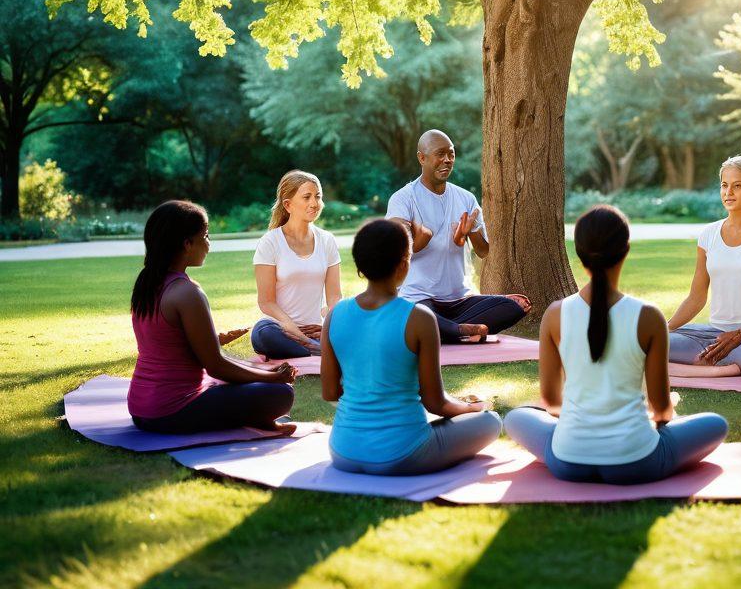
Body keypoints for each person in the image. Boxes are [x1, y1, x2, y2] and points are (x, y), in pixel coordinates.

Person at [504, 206, 728, 484]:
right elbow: (661, 411)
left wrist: (583, 423)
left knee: (516, 418)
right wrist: (656, 412)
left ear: (581, 254)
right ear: (626, 250)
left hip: (568, 459)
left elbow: (551, 403)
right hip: (636, 460)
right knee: (717, 424)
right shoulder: (648, 316)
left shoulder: (554, 314)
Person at [322, 218, 501, 475]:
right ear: (404, 264)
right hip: (403, 454)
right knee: (490, 422)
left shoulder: (335, 315)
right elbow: (436, 403)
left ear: (360, 265)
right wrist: (471, 408)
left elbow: (330, 392)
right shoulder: (419, 318)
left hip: (342, 451)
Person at [127, 200, 297, 434]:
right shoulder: (187, 292)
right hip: (171, 412)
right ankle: (256, 418)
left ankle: (252, 414)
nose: (208, 243)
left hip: (140, 410)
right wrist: (272, 380)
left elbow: (176, 348)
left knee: (250, 369)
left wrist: (266, 371)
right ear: (187, 244)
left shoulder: (147, 284)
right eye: (205, 236)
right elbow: (215, 366)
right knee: (281, 393)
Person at [385, 129, 530, 343]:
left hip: (460, 300)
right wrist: (420, 241)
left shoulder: (466, 198)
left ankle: (446, 330)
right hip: (419, 299)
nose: (447, 160)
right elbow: (393, 250)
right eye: (440, 154)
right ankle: (458, 331)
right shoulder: (403, 199)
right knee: (410, 314)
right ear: (422, 157)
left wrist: (469, 234)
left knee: (516, 306)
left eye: (451, 154)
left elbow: (483, 250)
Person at [666, 156, 741, 375]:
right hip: (715, 333)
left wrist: (740, 335)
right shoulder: (708, 234)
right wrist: (663, 331)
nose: (728, 192)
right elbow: (696, 298)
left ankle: (713, 364)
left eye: (737, 186)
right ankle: (723, 364)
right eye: (724, 185)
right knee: (657, 342)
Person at [251, 170, 342, 358]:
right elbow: (266, 302)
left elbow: (335, 298)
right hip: (281, 330)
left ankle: (314, 348)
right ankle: (319, 351)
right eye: (307, 197)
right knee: (263, 332)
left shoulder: (327, 240)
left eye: (318, 197)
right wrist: (292, 328)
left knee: (353, 325)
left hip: (315, 332)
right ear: (288, 204)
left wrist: (327, 328)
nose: (314, 203)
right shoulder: (270, 242)